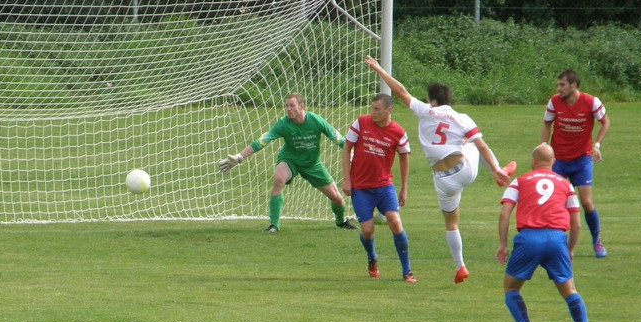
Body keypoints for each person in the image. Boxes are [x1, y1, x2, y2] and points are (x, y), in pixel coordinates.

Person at [364, 55, 514, 283]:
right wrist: (494, 168)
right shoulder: (462, 118)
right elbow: (482, 145)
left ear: (432, 101)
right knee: (472, 142)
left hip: (443, 180)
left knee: (451, 224)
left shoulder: (425, 111)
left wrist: (379, 69)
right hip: (464, 171)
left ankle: (460, 266)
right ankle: (499, 172)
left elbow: (400, 90)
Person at [496, 144, 595, 322]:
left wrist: (503, 244)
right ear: (553, 162)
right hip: (556, 239)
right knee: (569, 290)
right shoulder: (566, 184)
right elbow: (576, 224)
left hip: (528, 239)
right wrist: (569, 249)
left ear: (533, 162)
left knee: (511, 288)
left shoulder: (520, 181)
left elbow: (505, 213)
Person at [218, 92, 357, 233]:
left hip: (312, 164)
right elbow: (261, 141)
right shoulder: (283, 124)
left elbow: (339, 139)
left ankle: (341, 221)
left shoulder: (316, 121)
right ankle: (274, 225)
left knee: (337, 199)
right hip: (290, 160)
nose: (288, 109)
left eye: (292, 105)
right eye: (286, 106)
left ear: (301, 106)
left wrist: (353, 154)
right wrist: (239, 157)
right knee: (279, 179)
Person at [341, 93, 416, 282]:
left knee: (395, 222)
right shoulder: (361, 123)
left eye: (377, 109)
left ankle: (407, 271)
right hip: (360, 187)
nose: (373, 112)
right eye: (372, 108)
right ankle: (372, 257)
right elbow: (347, 148)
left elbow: (404, 158)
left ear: (389, 110)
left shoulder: (398, 132)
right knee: (367, 230)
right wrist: (347, 179)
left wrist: (404, 188)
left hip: (384, 186)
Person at [541, 69, 610, 257]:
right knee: (555, 202)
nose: (558, 88)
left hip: (582, 159)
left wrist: (597, 145)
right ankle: (555, 243)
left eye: (562, 85)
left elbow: (605, 122)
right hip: (558, 159)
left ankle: (597, 240)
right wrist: (543, 147)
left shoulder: (591, 102)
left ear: (573, 85)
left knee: (586, 202)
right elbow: (547, 123)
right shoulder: (554, 102)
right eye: (558, 85)